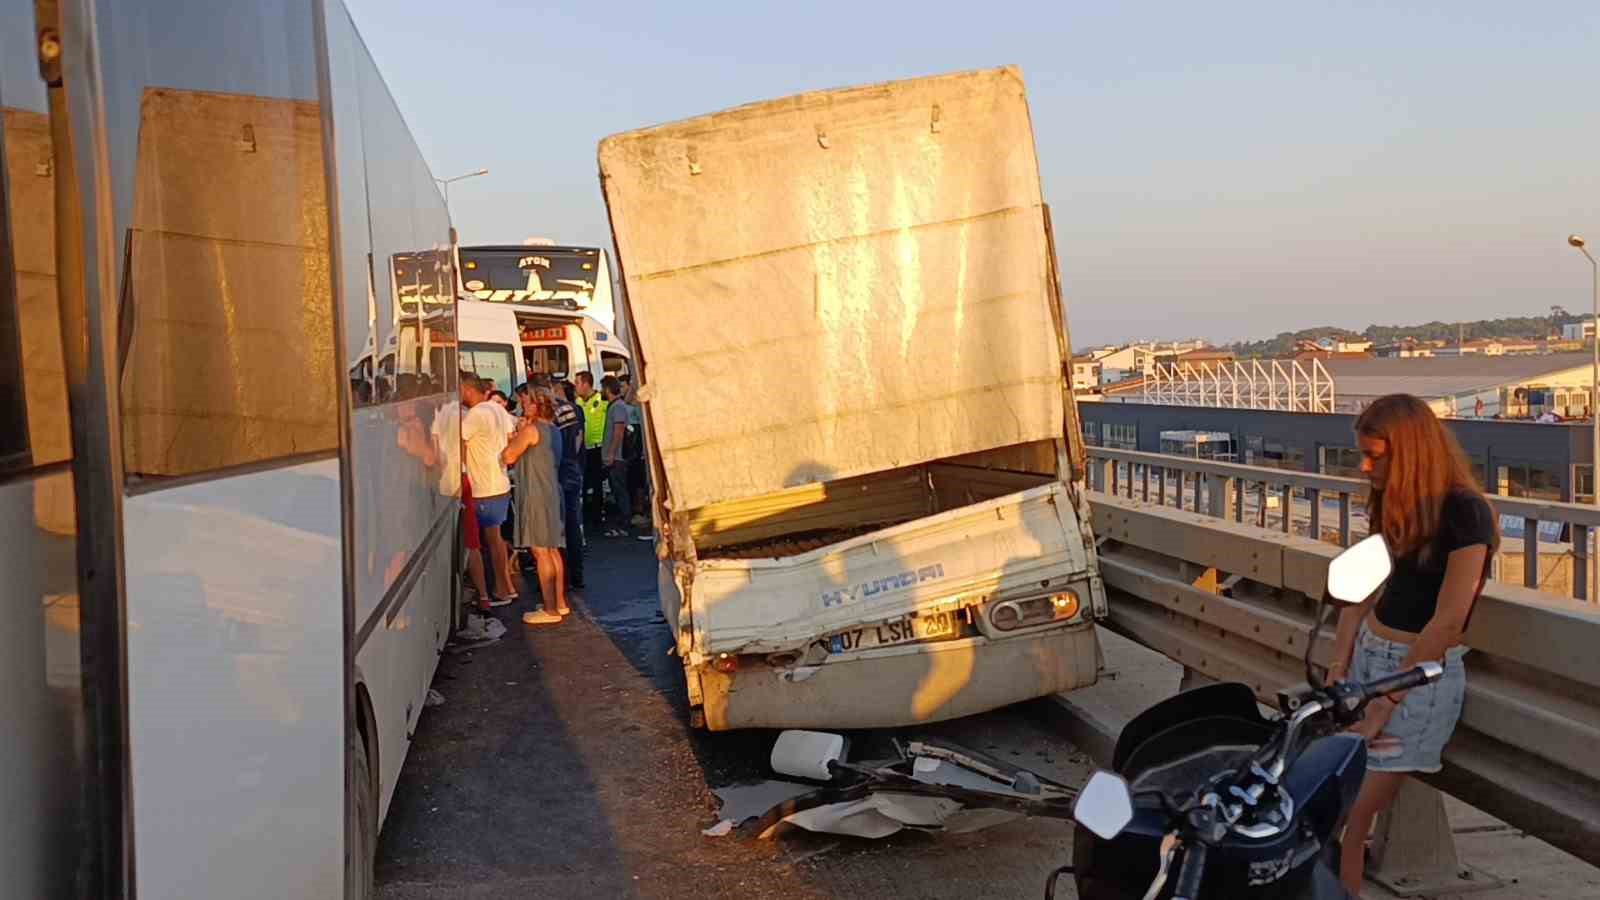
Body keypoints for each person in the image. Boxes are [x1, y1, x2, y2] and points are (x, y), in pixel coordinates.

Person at [1327, 394, 1498, 894]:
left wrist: (1385, 703)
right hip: (1367, 658)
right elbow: (1362, 591)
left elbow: (1448, 621)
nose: (1364, 467)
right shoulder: (1395, 500)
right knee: (1326, 807)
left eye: (1376, 457)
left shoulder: (1467, 515)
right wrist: (1340, 661)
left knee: (1348, 817)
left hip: (1417, 681)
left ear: (1411, 453)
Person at [502, 390, 567, 625]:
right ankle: (559, 603)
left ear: (534, 407)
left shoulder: (532, 430)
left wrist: (516, 433)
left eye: (525, 403)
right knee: (552, 549)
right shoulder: (553, 429)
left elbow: (508, 456)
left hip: (535, 492)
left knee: (540, 551)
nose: (521, 405)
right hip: (551, 490)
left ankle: (549, 610)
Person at [461, 375, 517, 604]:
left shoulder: (474, 415)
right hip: (500, 481)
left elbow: (458, 442)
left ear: (467, 390)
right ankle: (508, 586)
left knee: (492, 541)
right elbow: (509, 436)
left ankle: (502, 590)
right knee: (497, 539)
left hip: (484, 486)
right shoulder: (497, 409)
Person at [537, 373, 588, 590]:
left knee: (557, 527)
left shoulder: (549, 413)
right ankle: (576, 575)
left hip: (557, 471)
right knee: (573, 524)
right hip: (572, 469)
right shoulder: (572, 409)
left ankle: (561, 580)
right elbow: (578, 439)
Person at [600, 375, 638, 538]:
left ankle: (624, 524)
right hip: (615, 456)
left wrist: (611, 453)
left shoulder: (618, 407)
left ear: (608, 389)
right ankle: (623, 522)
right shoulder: (614, 406)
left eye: (602, 388)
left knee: (620, 490)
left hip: (618, 457)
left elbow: (619, 431)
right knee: (617, 490)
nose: (601, 391)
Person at [576, 371, 609, 531]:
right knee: (583, 482)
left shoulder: (602, 400)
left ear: (586, 384)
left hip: (598, 447)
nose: (576, 387)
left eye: (577, 383)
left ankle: (598, 517)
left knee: (597, 484)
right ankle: (586, 516)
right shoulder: (577, 402)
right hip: (584, 448)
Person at [621, 374, 649, 527]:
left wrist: (632, 386)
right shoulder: (629, 405)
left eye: (625, 386)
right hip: (633, 446)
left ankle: (639, 512)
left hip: (637, 446)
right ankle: (637, 511)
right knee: (633, 480)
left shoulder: (636, 407)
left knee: (637, 480)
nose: (623, 389)